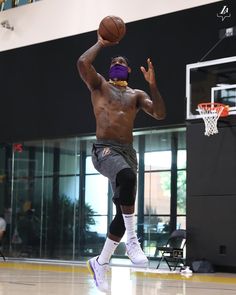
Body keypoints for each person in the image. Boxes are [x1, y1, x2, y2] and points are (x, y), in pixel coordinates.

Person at [77, 31, 166, 292]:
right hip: (104, 150)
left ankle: (100, 262)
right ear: (109, 68)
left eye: (122, 63)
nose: (118, 64)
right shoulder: (99, 85)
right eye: (114, 61)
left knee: (122, 211)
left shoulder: (136, 95)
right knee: (127, 178)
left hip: (128, 153)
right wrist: (102, 43)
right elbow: (83, 63)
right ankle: (133, 241)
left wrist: (152, 84)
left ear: (128, 71)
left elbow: (160, 113)